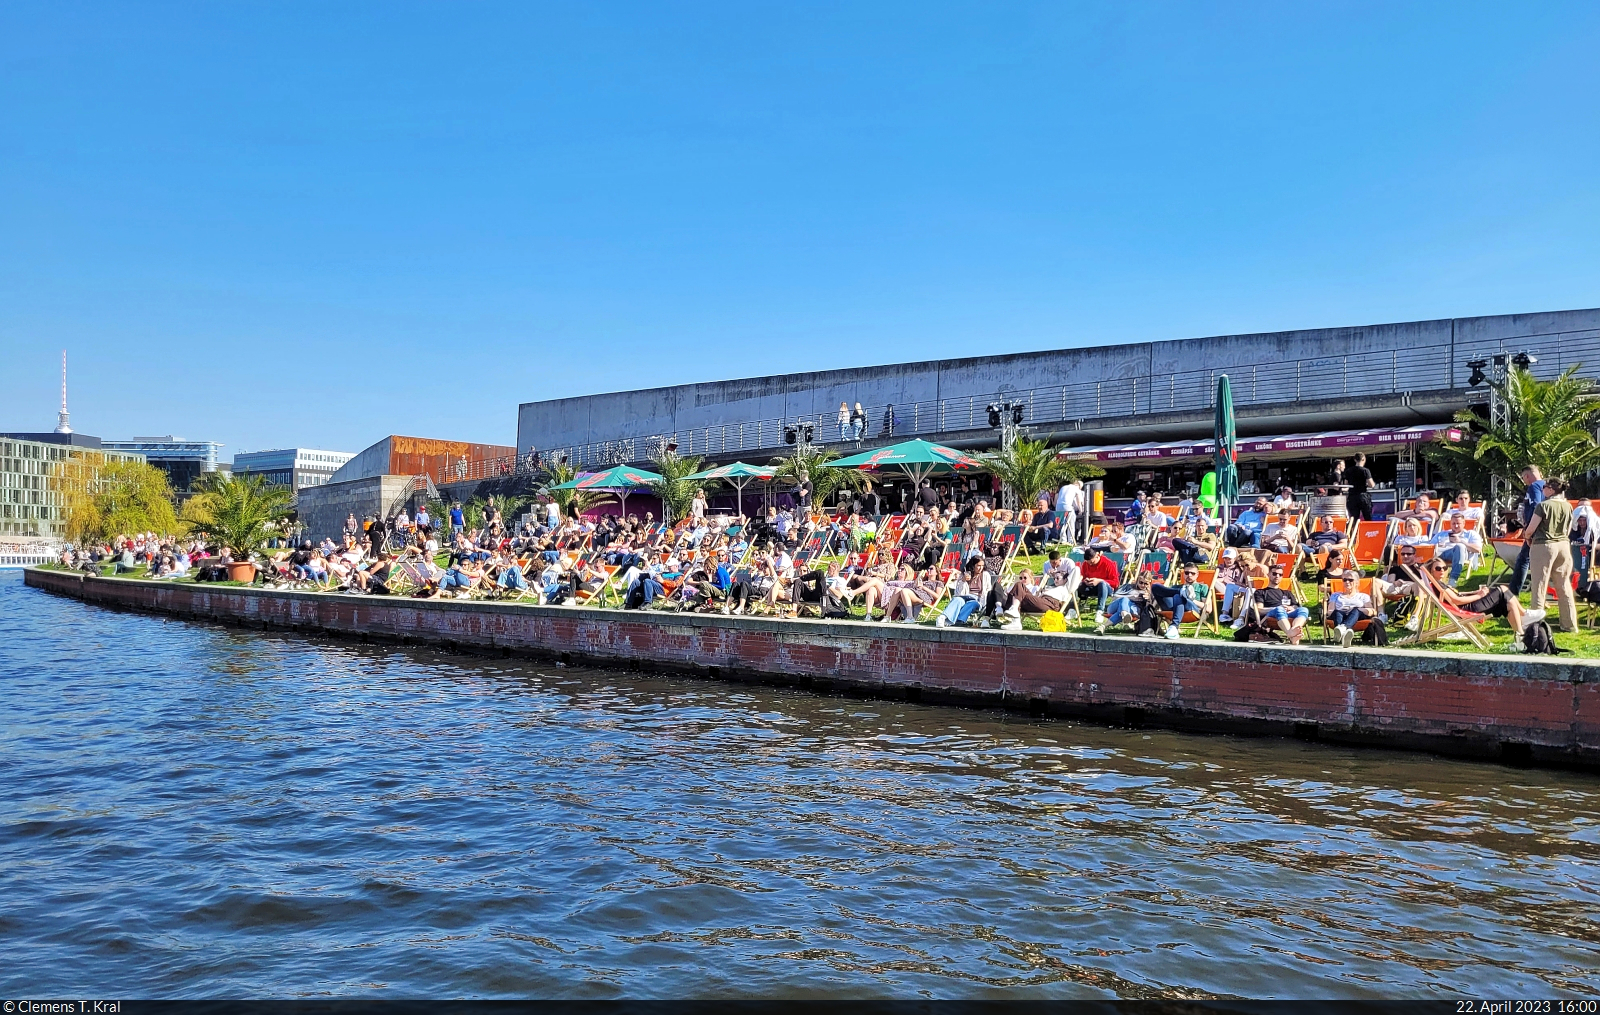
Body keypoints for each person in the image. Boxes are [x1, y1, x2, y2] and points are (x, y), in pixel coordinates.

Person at [1522, 475, 1577, 633]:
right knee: (1564, 585)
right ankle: (1569, 624)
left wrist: (1527, 537)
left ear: (1551, 489)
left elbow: (1531, 529)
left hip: (1544, 545)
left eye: (1545, 487)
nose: (1543, 489)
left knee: (1539, 584)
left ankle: (1536, 626)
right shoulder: (1568, 506)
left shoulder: (1543, 506)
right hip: (1563, 545)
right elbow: (1568, 529)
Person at [1509, 465, 1546, 595]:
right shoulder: (1549, 486)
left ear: (1527, 476)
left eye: (1523, 478)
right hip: (1549, 530)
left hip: (1535, 529)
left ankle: (1513, 593)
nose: (1524, 481)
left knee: (1523, 560)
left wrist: (1529, 529)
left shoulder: (1534, 487)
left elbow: (1536, 506)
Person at [1252, 564, 1308, 644]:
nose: (1277, 576)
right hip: (1271, 615)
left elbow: (1295, 606)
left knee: (1304, 609)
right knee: (1279, 609)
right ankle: (1290, 634)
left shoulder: (1287, 592)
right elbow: (1259, 610)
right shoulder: (1261, 592)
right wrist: (1276, 608)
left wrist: (1291, 608)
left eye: (1280, 575)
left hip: (1288, 613)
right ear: (1268, 575)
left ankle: (1294, 632)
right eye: (1274, 574)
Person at [1150, 563, 1208, 639]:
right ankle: (1182, 592)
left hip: (1192, 608)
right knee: (1155, 586)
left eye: (1192, 573)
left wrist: (1191, 599)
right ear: (1183, 574)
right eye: (1187, 573)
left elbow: (1208, 608)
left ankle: (1174, 626)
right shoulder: (1176, 587)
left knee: (1178, 596)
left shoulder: (1202, 587)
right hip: (1173, 606)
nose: (1189, 575)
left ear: (1197, 574)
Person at [1430, 515, 1483, 585]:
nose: (1456, 526)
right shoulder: (1442, 534)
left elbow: (1478, 549)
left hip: (1459, 553)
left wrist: (1461, 541)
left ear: (1464, 523)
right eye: (1453, 523)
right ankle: (1424, 577)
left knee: (1460, 546)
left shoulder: (1470, 534)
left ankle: (1452, 579)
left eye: (1458, 523)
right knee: (1429, 550)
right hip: (1440, 554)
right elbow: (1429, 546)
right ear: (1450, 524)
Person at [1327, 569, 1374, 648]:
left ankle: (1342, 629)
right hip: (1339, 616)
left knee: (1355, 610)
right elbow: (1330, 611)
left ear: (1357, 582)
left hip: (1357, 617)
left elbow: (1372, 611)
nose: (1347, 582)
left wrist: (1358, 609)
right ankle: (1345, 632)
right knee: (1337, 611)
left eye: (1350, 580)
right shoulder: (1335, 595)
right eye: (1344, 580)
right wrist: (1339, 610)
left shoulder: (1363, 596)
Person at [1077, 546, 1120, 626]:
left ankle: (1100, 611)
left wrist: (1099, 580)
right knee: (1078, 583)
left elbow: (1116, 583)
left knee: (1102, 584)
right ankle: (1076, 607)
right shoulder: (1086, 564)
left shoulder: (1108, 563)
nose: (1090, 564)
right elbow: (1083, 576)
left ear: (1097, 556)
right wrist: (1085, 581)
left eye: (1092, 563)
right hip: (1091, 587)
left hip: (1107, 588)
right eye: (1088, 563)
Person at [1346, 453, 1374, 521]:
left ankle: (1354, 531)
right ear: (1363, 459)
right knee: (1367, 517)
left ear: (1355, 460)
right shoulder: (1365, 470)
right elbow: (1371, 484)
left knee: (1353, 519)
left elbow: (1346, 484)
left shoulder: (1349, 470)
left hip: (1352, 496)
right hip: (1363, 495)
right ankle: (1368, 530)